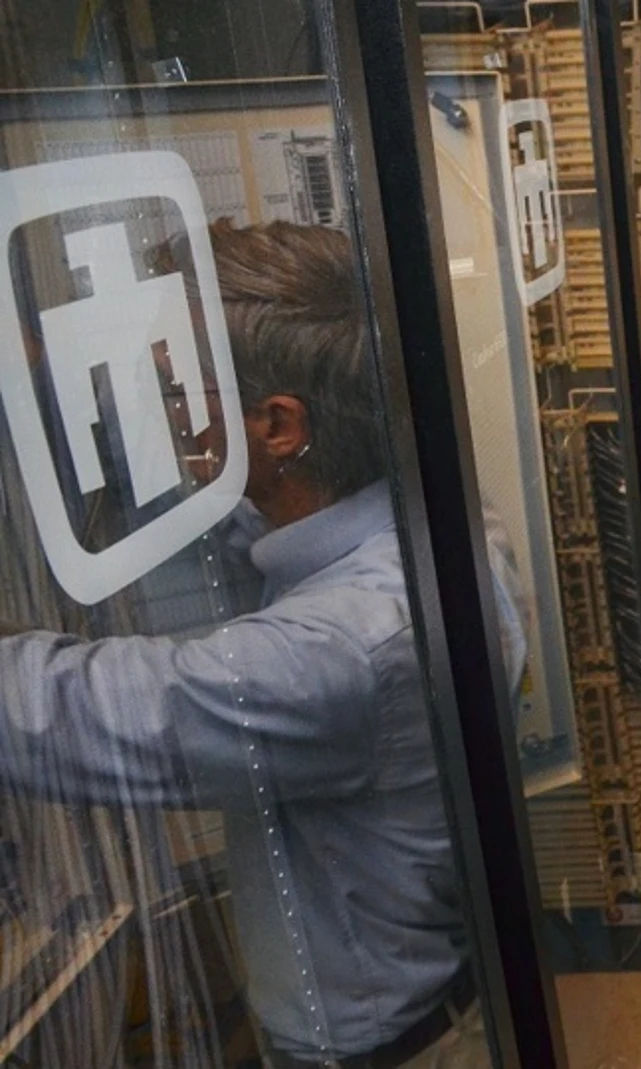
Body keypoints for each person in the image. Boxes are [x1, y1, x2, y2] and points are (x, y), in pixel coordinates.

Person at [0, 220, 518, 1068]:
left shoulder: (345, 647)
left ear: (278, 427)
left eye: (170, 390)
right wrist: (43, 378)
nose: (160, 412)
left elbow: (77, 715)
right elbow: (233, 494)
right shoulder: (407, 510)